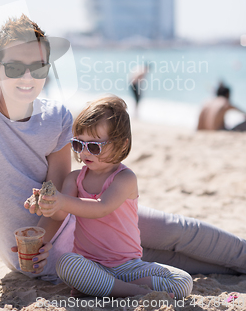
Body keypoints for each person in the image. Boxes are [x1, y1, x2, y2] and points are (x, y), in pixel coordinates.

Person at [0, 14, 246, 285]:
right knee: (169, 259)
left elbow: (61, 192)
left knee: (180, 232)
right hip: (55, 257)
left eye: (38, 68)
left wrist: (45, 230)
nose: (27, 78)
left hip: (82, 217)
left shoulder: (56, 116)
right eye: (14, 67)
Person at [37, 96, 193, 298]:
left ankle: (107, 287)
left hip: (128, 267)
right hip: (91, 264)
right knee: (66, 263)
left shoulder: (125, 178)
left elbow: (101, 207)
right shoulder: (74, 178)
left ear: (121, 145)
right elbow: (60, 214)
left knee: (183, 282)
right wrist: (46, 203)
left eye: (94, 146)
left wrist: (62, 201)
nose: (85, 152)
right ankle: (132, 291)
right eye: (78, 144)